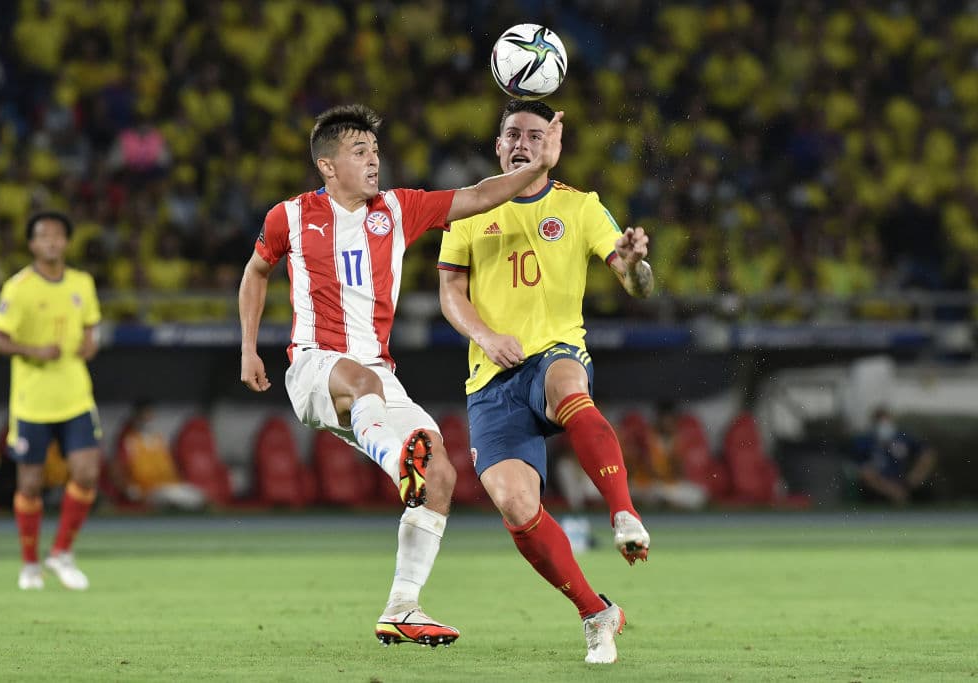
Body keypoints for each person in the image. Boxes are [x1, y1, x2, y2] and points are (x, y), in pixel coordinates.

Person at [238, 103, 563, 647]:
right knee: (375, 406)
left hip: (378, 374)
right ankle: (397, 464)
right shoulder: (288, 217)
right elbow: (255, 272)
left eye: (376, 151)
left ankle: (403, 606)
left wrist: (537, 167)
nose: (373, 162)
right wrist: (249, 349)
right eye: (359, 152)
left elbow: (479, 195)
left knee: (440, 471)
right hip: (316, 364)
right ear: (327, 165)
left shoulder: (398, 209)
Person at [437, 99, 654, 664]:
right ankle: (595, 612)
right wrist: (485, 336)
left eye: (535, 135)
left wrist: (635, 266)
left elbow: (636, 285)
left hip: (553, 352)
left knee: (566, 384)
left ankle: (623, 512)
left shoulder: (581, 208)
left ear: (552, 146)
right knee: (513, 503)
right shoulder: (467, 210)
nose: (523, 143)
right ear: (498, 144)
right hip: (492, 376)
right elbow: (450, 294)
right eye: (513, 133)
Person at [0, 210, 102, 591]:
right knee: (31, 484)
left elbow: (90, 327)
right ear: (33, 244)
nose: (51, 241)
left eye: (57, 235)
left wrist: (90, 342)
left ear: (66, 241)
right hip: (32, 401)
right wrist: (32, 349)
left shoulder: (82, 283)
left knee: (86, 473)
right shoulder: (18, 287)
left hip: (75, 395)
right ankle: (30, 564)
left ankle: (62, 553)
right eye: (43, 236)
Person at [111, 400, 207, 511]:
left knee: (197, 496)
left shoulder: (159, 440)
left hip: (169, 485)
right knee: (175, 498)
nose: (147, 419)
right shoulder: (129, 442)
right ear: (136, 417)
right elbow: (116, 470)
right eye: (144, 415)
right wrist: (128, 488)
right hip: (148, 489)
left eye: (150, 415)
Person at [623, 401, 708, 511]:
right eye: (665, 419)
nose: (667, 423)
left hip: (667, 486)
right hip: (647, 484)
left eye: (671, 420)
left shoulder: (677, 440)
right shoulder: (646, 437)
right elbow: (648, 469)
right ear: (658, 419)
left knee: (698, 494)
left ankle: (665, 504)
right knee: (651, 492)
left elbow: (679, 472)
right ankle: (663, 505)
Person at [852, 406, 938, 505]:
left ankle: (905, 495)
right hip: (878, 486)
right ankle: (895, 496)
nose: (883, 424)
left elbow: (927, 454)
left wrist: (914, 478)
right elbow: (862, 469)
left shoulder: (902, 437)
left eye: (886, 419)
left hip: (904, 482)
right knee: (867, 474)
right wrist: (890, 489)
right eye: (879, 420)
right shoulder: (866, 440)